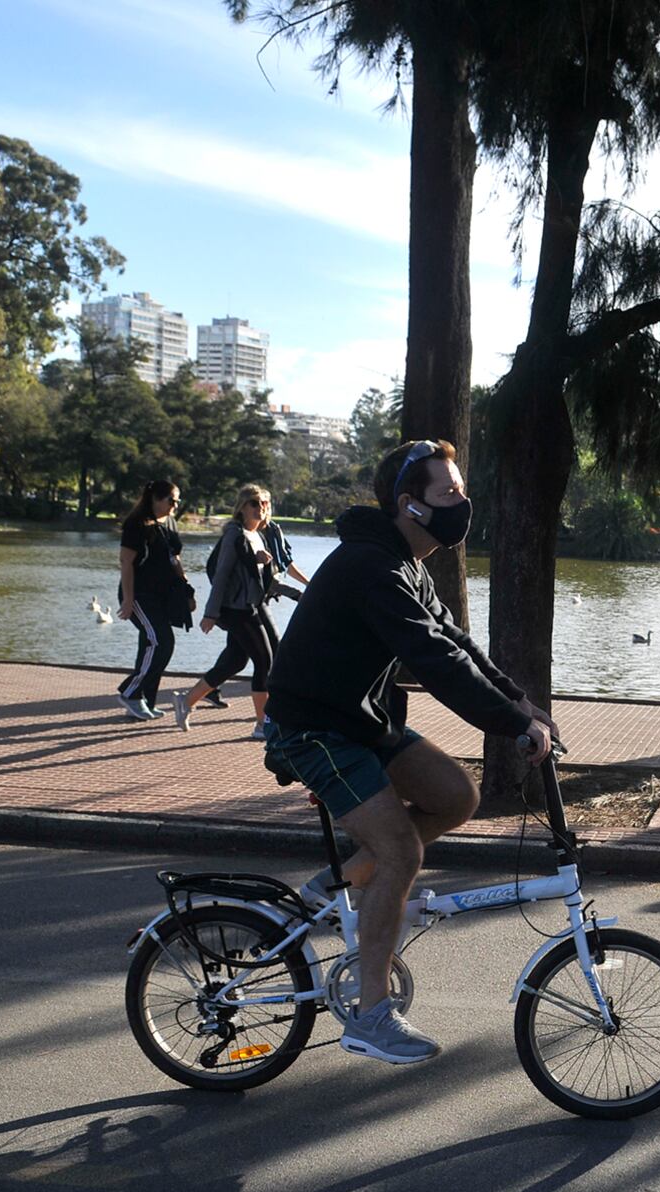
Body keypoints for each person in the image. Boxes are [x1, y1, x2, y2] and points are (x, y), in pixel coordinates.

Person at [263, 439, 556, 1065]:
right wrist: (508, 725)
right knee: (402, 849)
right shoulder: (374, 566)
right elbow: (436, 664)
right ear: (409, 505)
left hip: (359, 722)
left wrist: (521, 704)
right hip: (313, 728)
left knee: (458, 796)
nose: (463, 503)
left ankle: (345, 879)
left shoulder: (408, 565)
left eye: (461, 491)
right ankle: (371, 1017)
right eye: (448, 493)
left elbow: (457, 642)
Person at [173, 485, 292, 738]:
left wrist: (301, 594)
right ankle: (263, 725)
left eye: (264, 504)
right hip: (236, 609)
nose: (261, 508)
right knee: (264, 661)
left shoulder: (258, 535)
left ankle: (186, 701)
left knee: (236, 660)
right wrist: (211, 613)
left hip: (256, 604)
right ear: (242, 507)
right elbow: (222, 576)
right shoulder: (234, 536)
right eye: (254, 503)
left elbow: (265, 581)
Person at [115, 480, 191, 721]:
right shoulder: (137, 524)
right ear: (156, 498)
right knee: (162, 642)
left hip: (161, 596)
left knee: (151, 643)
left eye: (177, 501)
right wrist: (128, 600)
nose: (175, 505)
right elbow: (126, 563)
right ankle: (131, 692)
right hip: (138, 595)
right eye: (171, 500)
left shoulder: (169, 522)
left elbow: (174, 557)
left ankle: (145, 699)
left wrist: (187, 590)